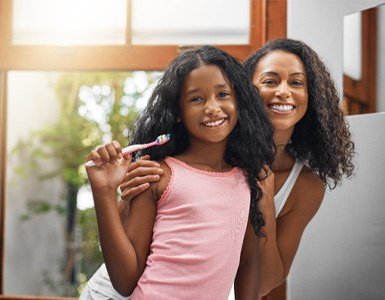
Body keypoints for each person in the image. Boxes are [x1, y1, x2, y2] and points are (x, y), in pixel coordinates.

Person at [119, 38, 355, 298]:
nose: (284, 91)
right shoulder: (209, 144)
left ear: (313, 96)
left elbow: (267, 281)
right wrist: (121, 196)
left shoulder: (305, 184)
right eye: (270, 80)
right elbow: (131, 233)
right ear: (244, 90)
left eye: (296, 82)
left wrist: (263, 203)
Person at [80, 45, 275, 299]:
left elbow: (248, 263)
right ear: (179, 113)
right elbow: (125, 281)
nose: (212, 107)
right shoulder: (158, 175)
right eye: (197, 98)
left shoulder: (248, 179)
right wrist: (104, 192)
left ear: (239, 101)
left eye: (223, 94)